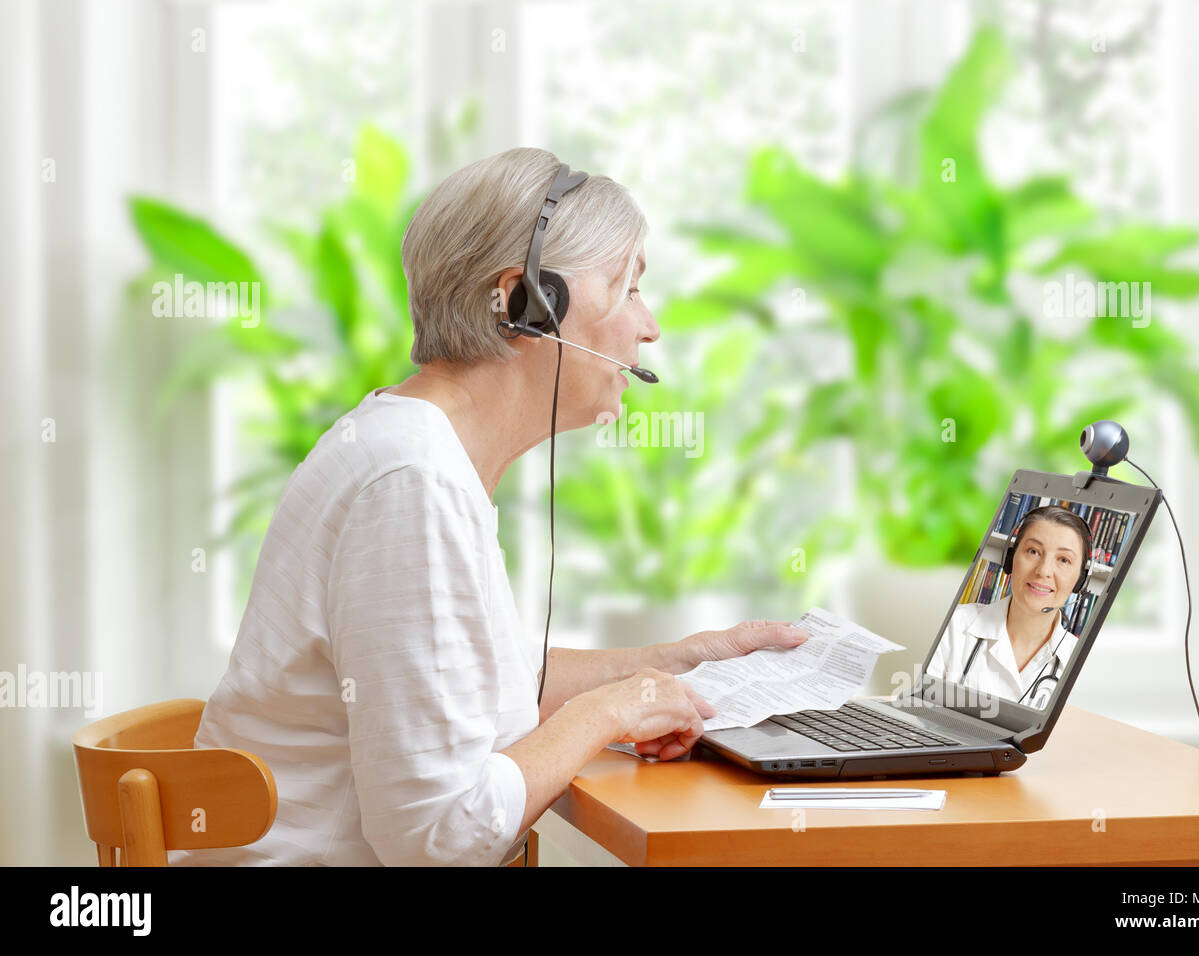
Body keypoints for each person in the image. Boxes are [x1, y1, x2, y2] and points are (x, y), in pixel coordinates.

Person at [169, 148, 809, 867]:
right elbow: (438, 838)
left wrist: (678, 663)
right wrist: (608, 712)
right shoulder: (411, 481)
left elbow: (476, 689)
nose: (650, 325)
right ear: (526, 303)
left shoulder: (417, 447)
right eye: (626, 287)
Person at [925, 506, 1091, 710]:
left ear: (1080, 581)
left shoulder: (1081, 663)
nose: (1044, 570)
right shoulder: (954, 625)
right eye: (1033, 551)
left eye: (1064, 560)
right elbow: (915, 715)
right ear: (1010, 559)